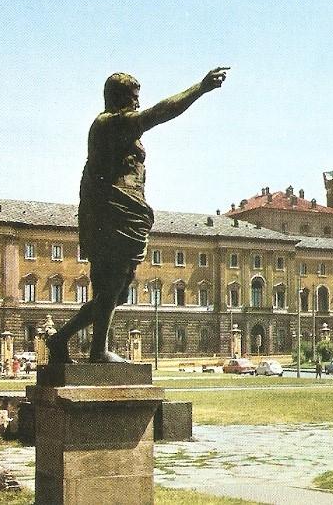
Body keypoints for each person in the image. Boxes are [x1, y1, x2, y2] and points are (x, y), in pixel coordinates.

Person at [47, 68, 228, 364]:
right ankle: (96, 351)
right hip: (112, 217)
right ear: (118, 99)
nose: (137, 104)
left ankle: (63, 339)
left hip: (126, 214)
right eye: (133, 99)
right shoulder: (108, 124)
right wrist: (200, 88)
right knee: (110, 288)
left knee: (115, 294)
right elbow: (157, 114)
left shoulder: (116, 126)